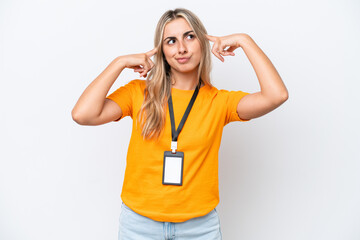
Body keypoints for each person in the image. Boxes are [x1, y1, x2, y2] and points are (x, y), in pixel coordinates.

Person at [71, 7, 288, 240]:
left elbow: (277, 95)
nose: (181, 48)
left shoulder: (220, 101)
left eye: (190, 36)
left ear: (203, 42)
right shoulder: (138, 93)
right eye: (171, 41)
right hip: (139, 225)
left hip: (199, 227)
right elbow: (83, 114)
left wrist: (245, 41)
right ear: (162, 51)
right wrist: (119, 62)